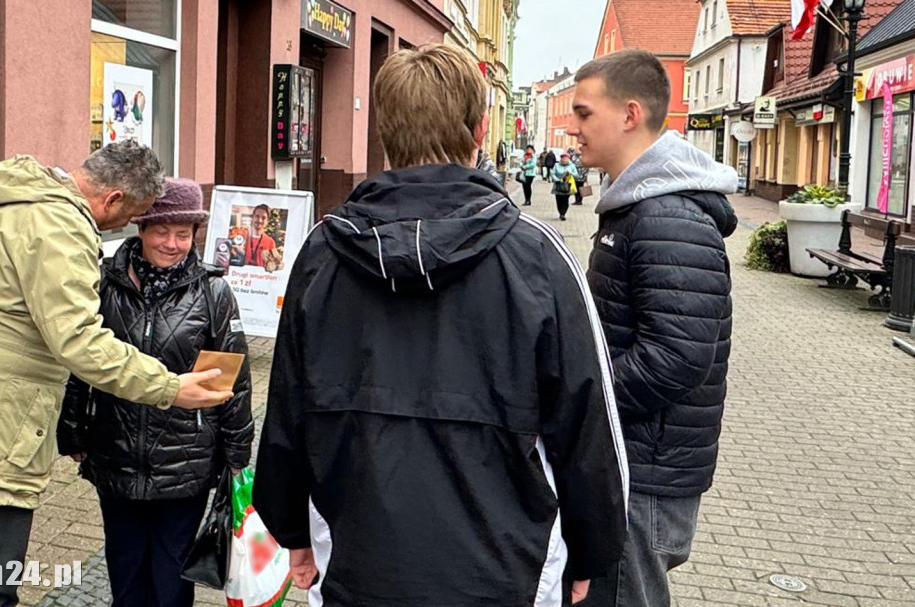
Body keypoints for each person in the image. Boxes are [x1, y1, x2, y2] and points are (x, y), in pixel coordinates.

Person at [253, 43, 628, 607]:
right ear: (480, 130)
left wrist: (291, 530)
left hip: (356, 559)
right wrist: (592, 551)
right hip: (505, 571)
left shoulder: (321, 254)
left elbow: (285, 410)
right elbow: (589, 426)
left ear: (384, 131)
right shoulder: (540, 258)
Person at [0, 141, 232, 607]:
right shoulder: (59, 225)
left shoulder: (17, 202)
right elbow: (79, 340)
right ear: (114, 198)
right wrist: (169, 387)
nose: (120, 227)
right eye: (129, 215)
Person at [569, 49, 738, 607]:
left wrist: (584, 395)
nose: (573, 127)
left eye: (584, 113)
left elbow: (678, 358)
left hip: (645, 471)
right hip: (635, 461)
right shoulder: (637, 206)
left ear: (629, 114)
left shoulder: (667, 215)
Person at [57, 178, 254, 607]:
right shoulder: (105, 284)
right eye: (162, 231)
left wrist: (237, 452)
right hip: (114, 451)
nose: (172, 243)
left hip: (186, 460)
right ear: (141, 229)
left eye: (183, 233)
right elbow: (81, 363)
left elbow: (231, 382)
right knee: (125, 572)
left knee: (170, 581)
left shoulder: (212, 292)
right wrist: (71, 429)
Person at [551, 152, 579, 220]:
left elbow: (576, 175)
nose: (564, 159)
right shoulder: (556, 165)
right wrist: (557, 179)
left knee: (565, 200)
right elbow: (553, 173)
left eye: (566, 158)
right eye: (563, 158)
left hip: (567, 185)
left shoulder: (572, 166)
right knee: (559, 200)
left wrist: (570, 173)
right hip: (558, 185)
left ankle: (563, 213)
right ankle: (560, 212)